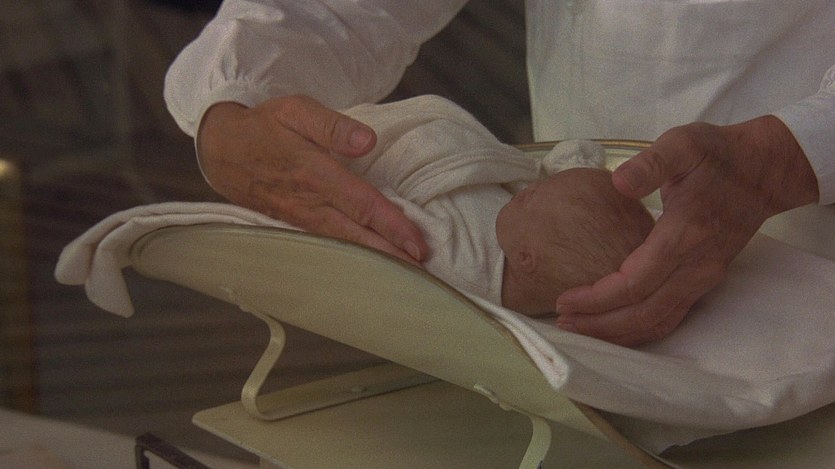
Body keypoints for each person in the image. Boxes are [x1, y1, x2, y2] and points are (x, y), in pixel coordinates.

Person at [164, 1, 834, 345]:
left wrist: (789, 154)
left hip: (806, 262)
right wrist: (232, 101)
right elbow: (338, 10)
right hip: (570, 310)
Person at [335, 95, 655, 316]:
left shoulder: (464, 269)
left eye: (529, 196)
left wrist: (356, 185)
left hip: (392, 159)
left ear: (526, 258)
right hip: (453, 154)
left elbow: (393, 218)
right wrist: (580, 173)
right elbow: (568, 163)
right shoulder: (535, 232)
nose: (530, 188)